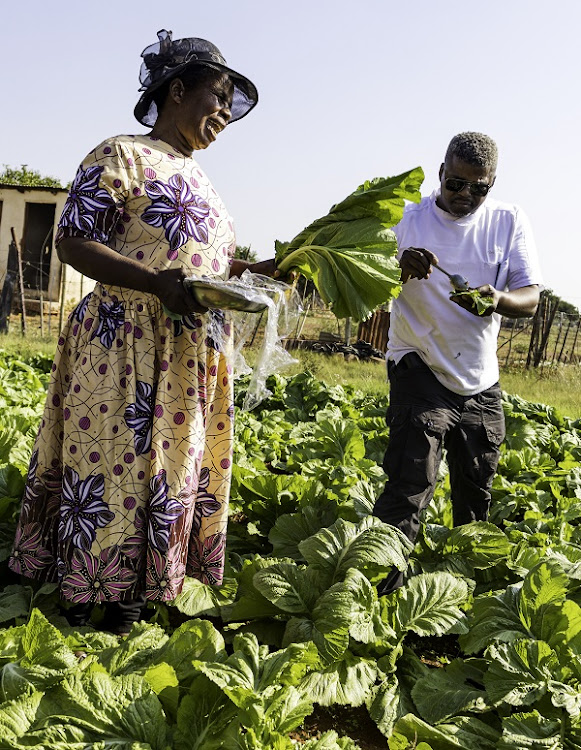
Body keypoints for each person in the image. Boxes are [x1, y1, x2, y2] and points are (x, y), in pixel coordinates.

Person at [8, 29, 279, 635]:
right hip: (122, 340)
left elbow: (198, 260)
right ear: (176, 91)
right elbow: (73, 240)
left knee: (167, 468)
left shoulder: (202, 178)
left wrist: (250, 273)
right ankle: (83, 599)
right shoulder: (121, 154)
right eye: (218, 98)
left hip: (187, 351)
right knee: (108, 463)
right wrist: (156, 284)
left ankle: (133, 597)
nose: (224, 116)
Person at [374, 132, 542, 593]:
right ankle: (379, 591)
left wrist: (498, 299)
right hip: (419, 364)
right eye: (456, 184)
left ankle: (468, 598)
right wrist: (398, 266)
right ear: (441, 173)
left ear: (492, 183)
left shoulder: (508, 221)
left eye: (478, 187)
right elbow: (367, 274)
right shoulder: (407, 220)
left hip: (480, 378)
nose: (465, 195)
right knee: (409, 484)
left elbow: (529, 299)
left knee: (477, 489)